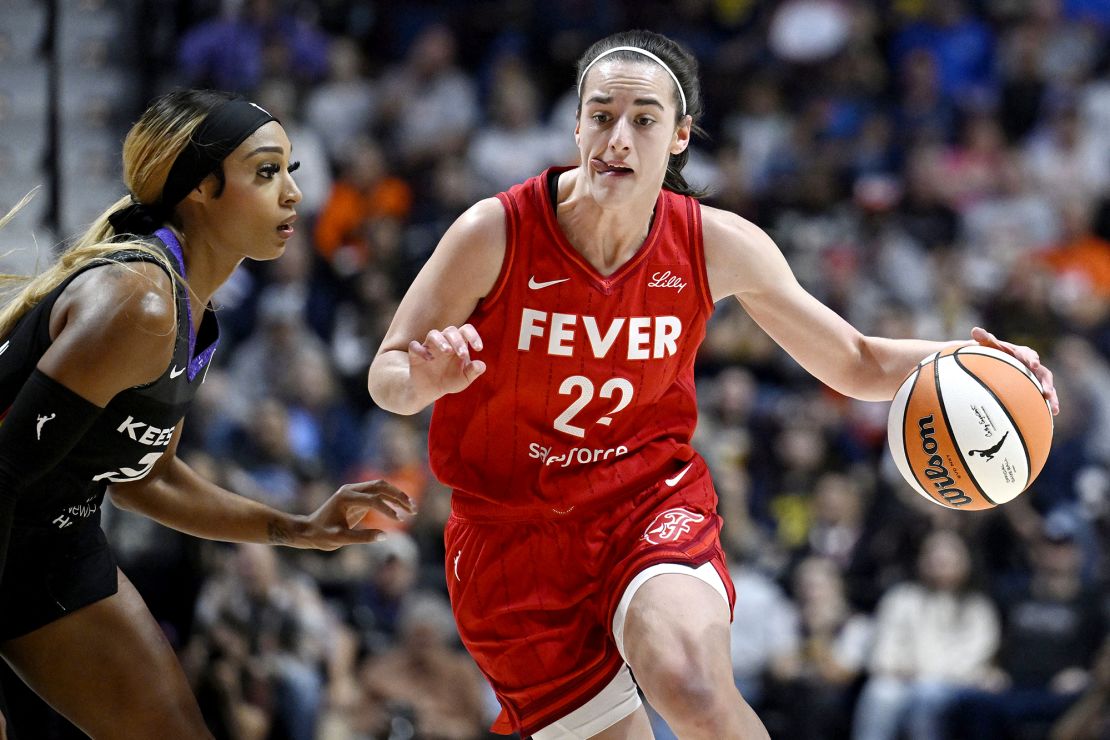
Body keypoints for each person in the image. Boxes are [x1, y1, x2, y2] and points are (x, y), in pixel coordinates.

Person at [367, 30, 1058, 740]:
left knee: (690, 683)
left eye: (644, 119)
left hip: (645, 502)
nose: (618, 139)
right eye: (601, 116)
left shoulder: (714, 242)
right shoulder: (494, 231)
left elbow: (853, 358)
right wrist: (421, 378)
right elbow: (387, 374)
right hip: (510, 538)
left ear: (678, 136)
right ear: (576, 125)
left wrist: (980, 363)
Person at [0, 89, 414, 739]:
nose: (293, 195)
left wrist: (294, 529)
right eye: (266, 171)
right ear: (201, 188)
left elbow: (147, 479)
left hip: (53, 542)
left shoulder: (190, 311)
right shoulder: (140, 302)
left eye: (291, 172)